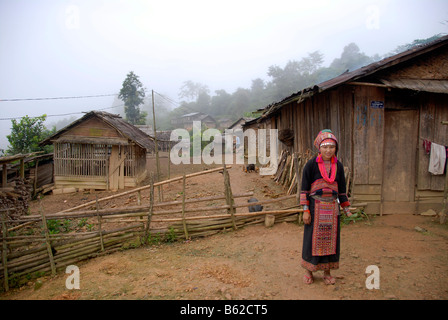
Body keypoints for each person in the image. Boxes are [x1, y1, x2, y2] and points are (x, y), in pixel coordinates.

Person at [300, 129, 352, 285]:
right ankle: (309, 271)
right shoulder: (310, 165)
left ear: (336, 148)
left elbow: (342, 190)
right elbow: (304, 189)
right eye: (325, 147)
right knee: (311, 240)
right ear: (319, 148)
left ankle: (327, 273)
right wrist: (305, 210)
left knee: (331, 241)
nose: (328, 150)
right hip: (315, 208)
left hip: (332, 210)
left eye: (332, 147)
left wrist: (346, 209)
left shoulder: (339, 166)